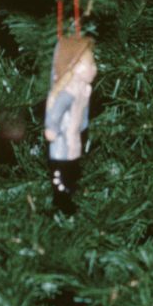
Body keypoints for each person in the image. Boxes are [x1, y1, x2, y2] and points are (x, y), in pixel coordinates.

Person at [44, 34, 96, 213]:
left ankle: (70, 193)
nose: (94, 69)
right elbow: (56, 110)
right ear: (74, 68)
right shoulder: (68, 92)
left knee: (73, 166)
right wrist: (51, 128)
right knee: (61, 167)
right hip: (62, 138)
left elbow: (83, 113)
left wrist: (83, 128)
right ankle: (61, 198)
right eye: (90, 64)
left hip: (73, 136)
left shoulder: (84, 89)